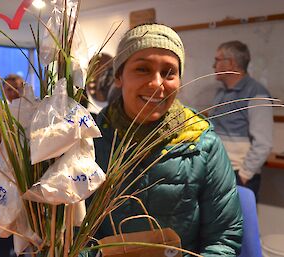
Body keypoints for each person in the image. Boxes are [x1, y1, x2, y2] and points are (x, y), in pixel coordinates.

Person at [91, 24, 243, 256]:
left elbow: (224, 238)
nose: (157, 84)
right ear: (119, 76)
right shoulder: (90, 141)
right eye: (142, 69)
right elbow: (70, 235)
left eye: (169, 72)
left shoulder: (202, 144)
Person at [209, 40, 273, 199]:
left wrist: (244, 174)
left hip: (238, 176)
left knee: (239, 223)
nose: (213, 65)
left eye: (217, 60)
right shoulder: (221, 93)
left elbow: (263, 142)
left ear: (230, 63)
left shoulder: (257, 93)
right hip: (217, 171)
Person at [0, 74, 25, 142]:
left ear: (23, 89)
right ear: (4, 91)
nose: (13, 93)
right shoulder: (1, 108)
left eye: (16, 88)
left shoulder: (32, 107)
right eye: (9, 90)